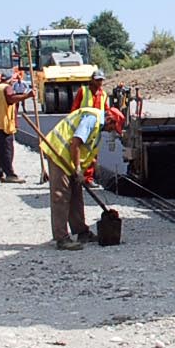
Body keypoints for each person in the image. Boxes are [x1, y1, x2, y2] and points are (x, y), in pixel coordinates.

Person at [42, 101, 126, 250]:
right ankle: (61, 239)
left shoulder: (98, 128)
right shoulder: (91, 119)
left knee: (76, 196)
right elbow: (75, 143)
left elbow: (87, 147)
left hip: (70, 159)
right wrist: (79, 169)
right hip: (59, 154)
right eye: (113, 127)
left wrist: (93, 163)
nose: (112, 131)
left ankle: (82, 232)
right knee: (61, 196)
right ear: (109, 119)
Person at [0, 66, 32, 183]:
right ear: (10, 79)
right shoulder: (7, 88)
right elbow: (11, 99)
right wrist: (27, 96)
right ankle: (10, 174)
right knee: (6, 151)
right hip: (3, 124)